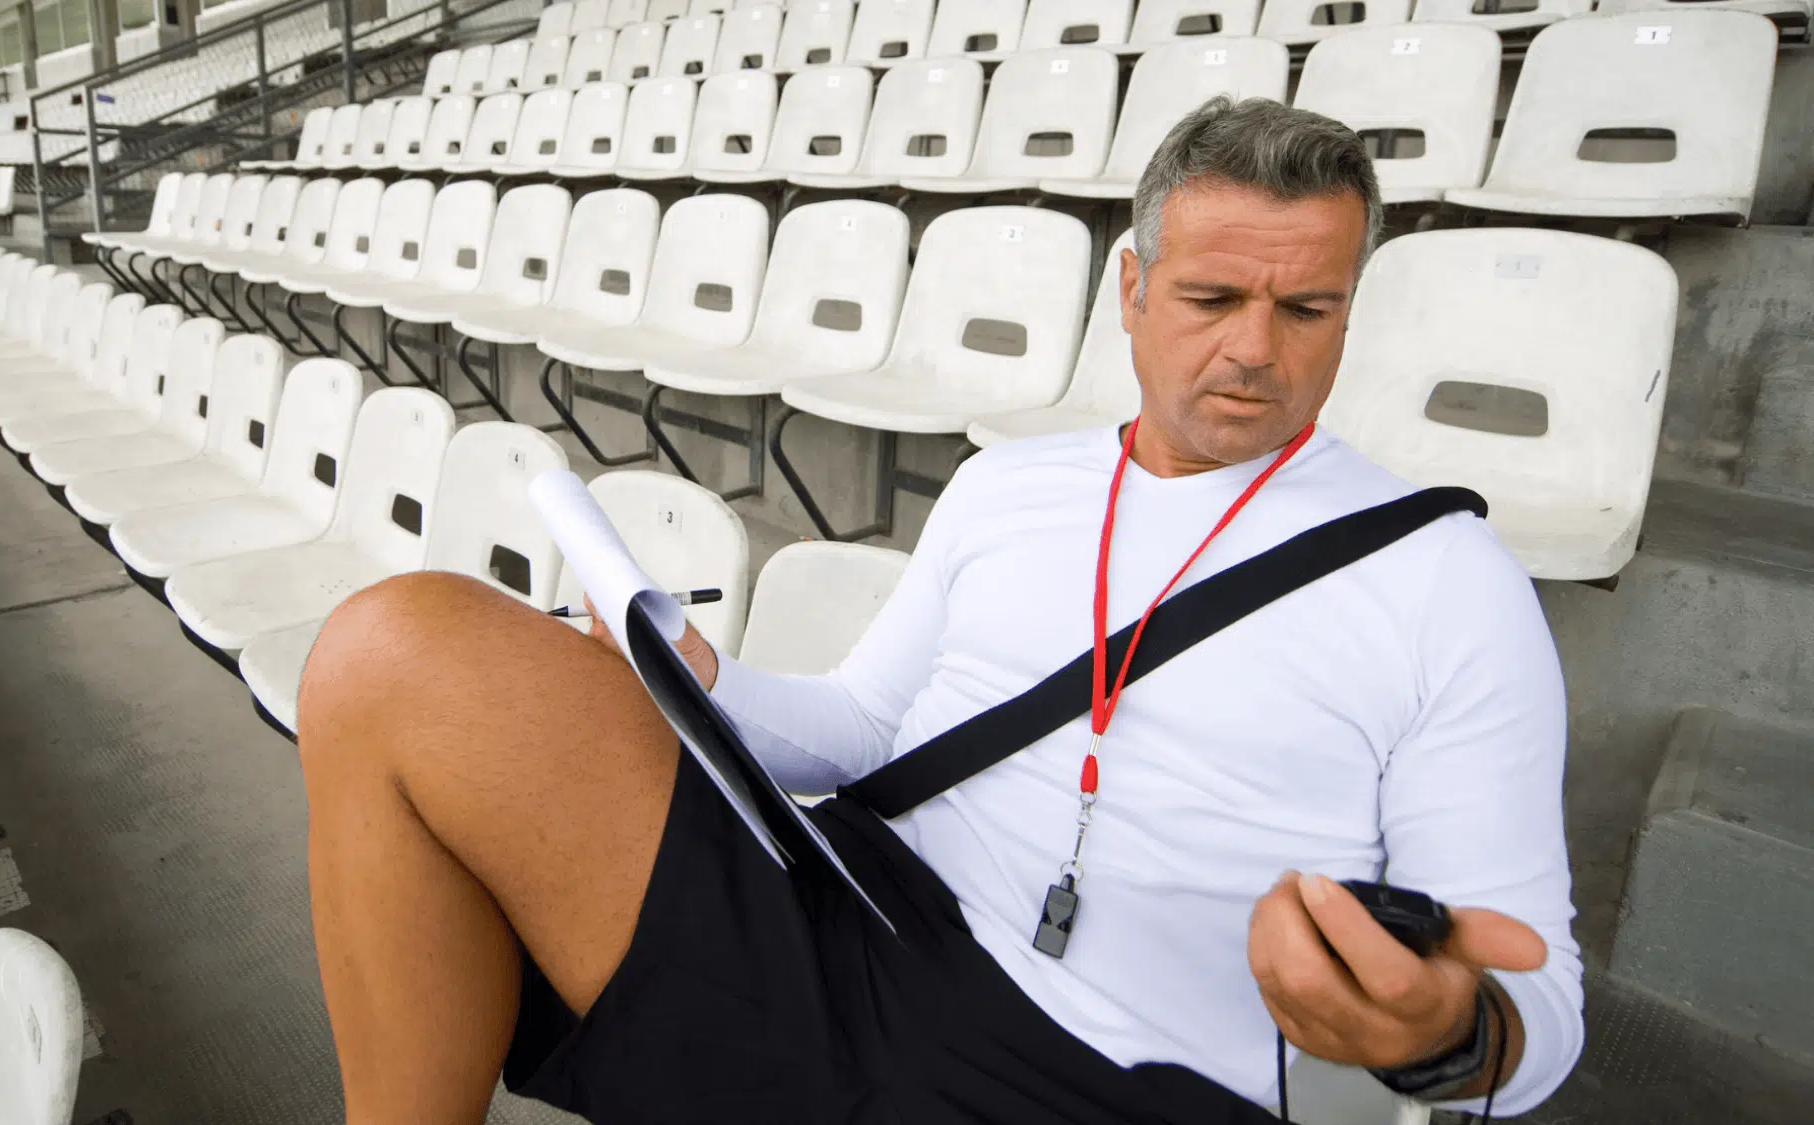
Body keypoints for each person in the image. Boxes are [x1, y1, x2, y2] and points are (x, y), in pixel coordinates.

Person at [297, 95, 1583, 1125]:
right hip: (854, 920)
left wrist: (1442, 1038)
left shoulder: (1446, 579)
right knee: (394, 651)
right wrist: (700, 677)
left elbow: (1538, 1009)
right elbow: (864, 727)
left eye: (1306, 308)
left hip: (1110, 1076)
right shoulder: (1009, 483)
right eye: (1210, 300)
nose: (1255, 347)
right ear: (1130, 290)